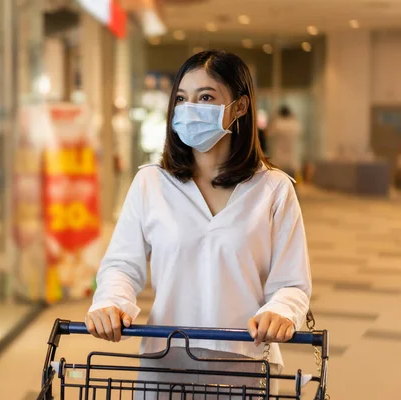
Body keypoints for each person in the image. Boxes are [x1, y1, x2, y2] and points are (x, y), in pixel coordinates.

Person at [85, 50, 311, 399]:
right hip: (164, 359)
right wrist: (111, 301)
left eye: (205, 97)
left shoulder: (273, 189)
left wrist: (281, 311)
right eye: (181, 98)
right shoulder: (151, 183)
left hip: (245, 361)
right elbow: (121, 266)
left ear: (240, 107)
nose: (189, 109)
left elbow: (292, 283)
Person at [267, 105, 302, 181]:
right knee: (292, 185)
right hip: (291, 160)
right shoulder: (295, 124)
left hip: (278, 159)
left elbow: (268, 134)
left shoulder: (277, 123)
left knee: (279, 184)